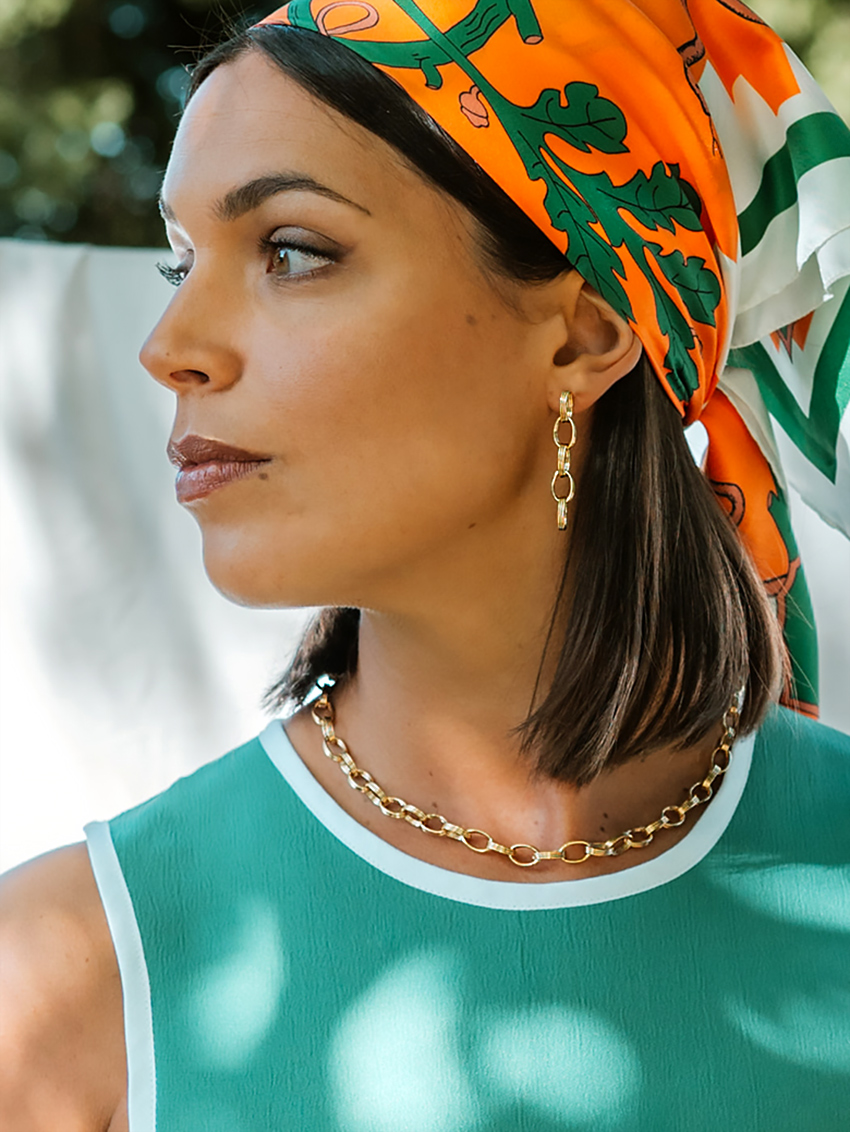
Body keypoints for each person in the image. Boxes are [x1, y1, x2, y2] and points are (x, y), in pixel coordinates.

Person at [2, 2, 849, 1129]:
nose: (169, 349)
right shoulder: (64, 986)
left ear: (585, 333)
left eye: (291, 252)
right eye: (181, 263)